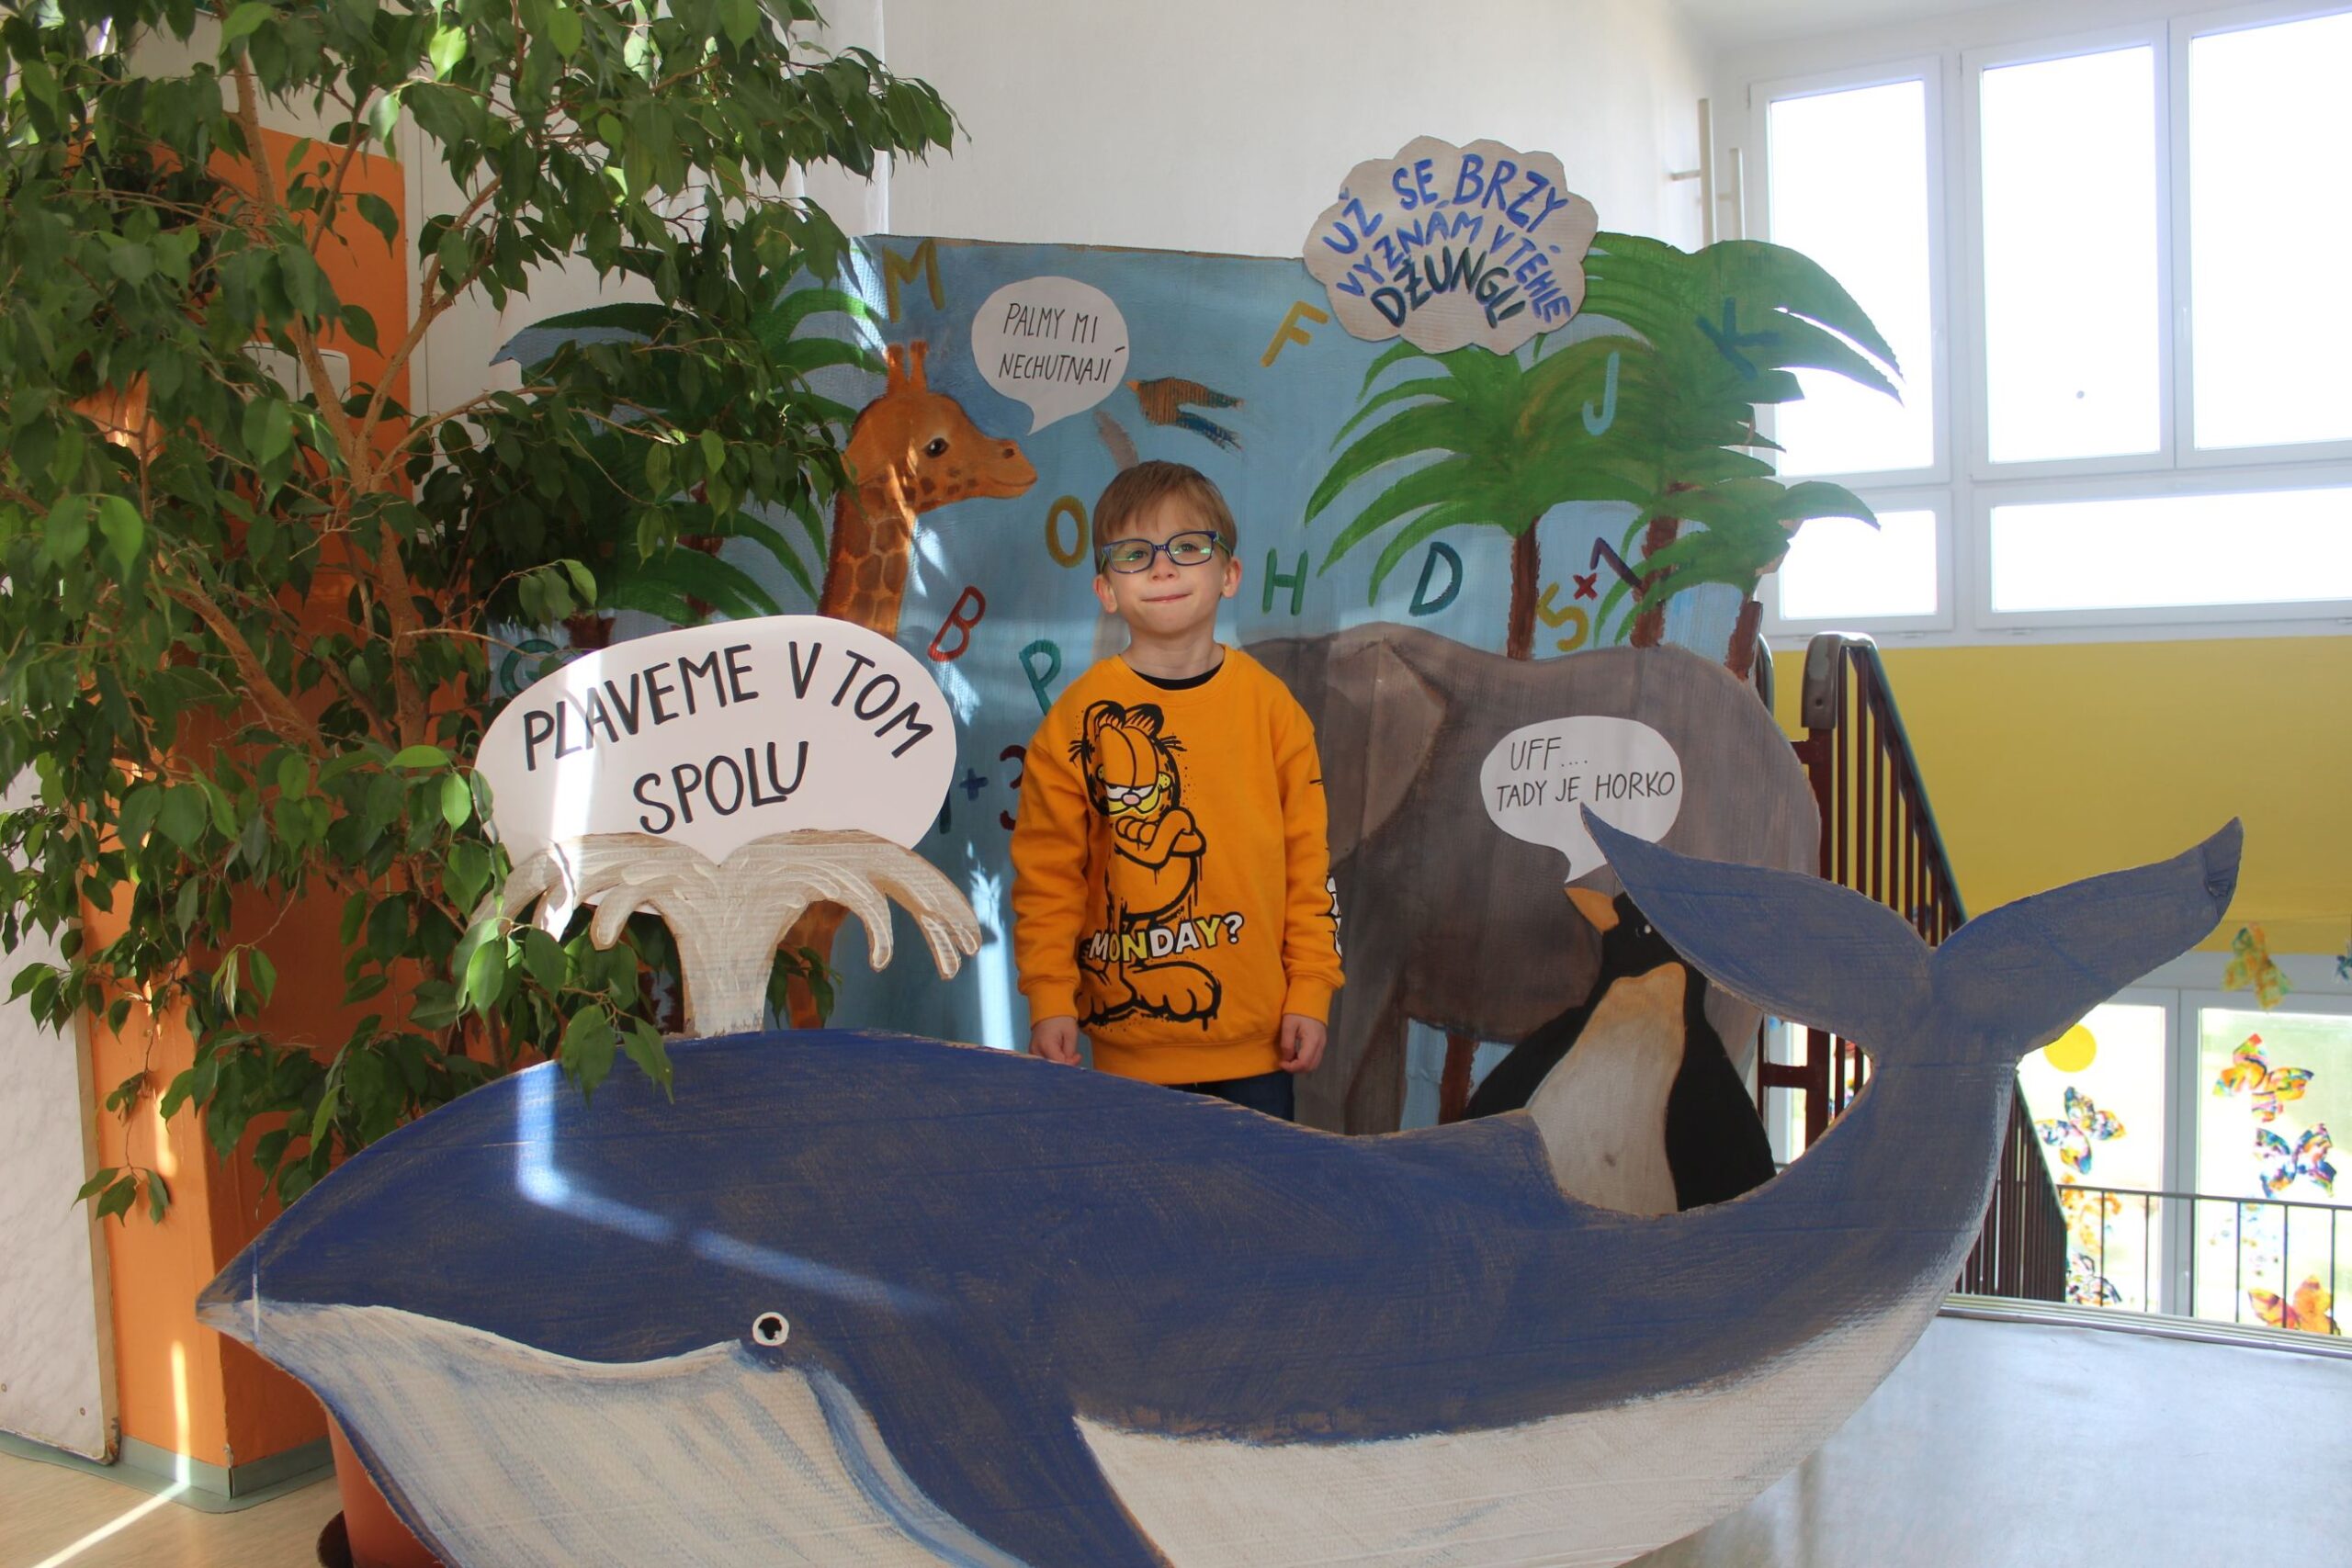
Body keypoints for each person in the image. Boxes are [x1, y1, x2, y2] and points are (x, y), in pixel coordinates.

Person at [1010, 461, 1342, 1121]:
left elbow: (1309, 865)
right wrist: (1050, 997)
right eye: (1136, 554)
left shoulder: (1273, 710)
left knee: (1253, 1192)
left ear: (1229, 574)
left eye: (1188, 547)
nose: (1162, 568)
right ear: (1106, 589)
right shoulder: (1075, 722)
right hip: (1125, 1050)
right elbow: (1048, 877)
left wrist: (1311, 986)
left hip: (1259, 1047)